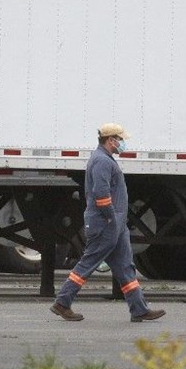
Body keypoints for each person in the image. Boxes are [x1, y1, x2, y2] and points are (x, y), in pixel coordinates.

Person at [50, 123, 165, 323]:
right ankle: (62, 302)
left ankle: (139, 309)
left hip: (115, 225)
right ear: (110, 140)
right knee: (89, 262)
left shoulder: (105, 159)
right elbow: (101, 194)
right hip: (106, 224)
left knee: (125, 266)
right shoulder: (102, 161)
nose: (122, 143)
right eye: (120, 140)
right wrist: (111, 217)